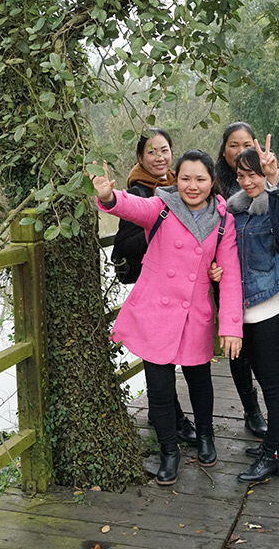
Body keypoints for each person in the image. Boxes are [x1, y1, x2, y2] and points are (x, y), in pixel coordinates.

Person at [92, 150, 244, 486]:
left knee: (199, 382)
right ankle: (169, 452)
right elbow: (131, 206)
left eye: (200, 179)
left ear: (212, 181)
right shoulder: (162, 207)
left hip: (194, 314)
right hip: (156, 314)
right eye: (185, 178)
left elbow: (231, 274)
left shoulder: (223, 221)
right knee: (159, 390)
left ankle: (205, 437)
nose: (192, 186)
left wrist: (232, 327)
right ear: (176, 179)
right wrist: (108, 196)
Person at [215, 122, 279, 437]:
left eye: (247, 144)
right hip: (237, 303)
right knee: (252, 365)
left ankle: (278, 441)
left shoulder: (275, 203)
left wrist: (275, 180)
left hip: (270, 302)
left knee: (272, 377)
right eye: (233, 145)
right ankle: (264, 426)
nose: (245, 181)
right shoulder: (230, 206)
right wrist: (214, 268)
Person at [111, 129, 196, 445]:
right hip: (154, 292)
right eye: (151, 152)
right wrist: (158, 230)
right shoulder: (138, 192)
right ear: (140, 157)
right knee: (161, 361)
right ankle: (174, 422)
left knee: (171, 357)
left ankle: (167, 417)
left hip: (180, 290)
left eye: (164, 150)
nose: (159, 157)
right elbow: (123, 246)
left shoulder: (179, 186)